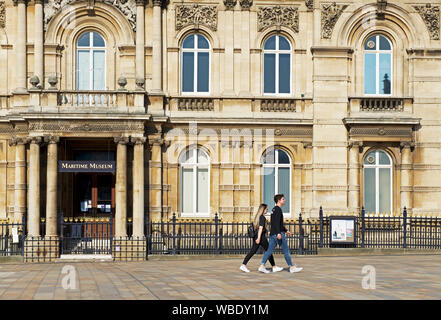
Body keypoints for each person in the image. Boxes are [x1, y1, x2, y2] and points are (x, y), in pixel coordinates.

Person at [258, 194, 303, 274]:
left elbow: (276, 223)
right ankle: (291, 267)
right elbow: (276, 223)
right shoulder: (278, 210)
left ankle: (262, 266)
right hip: (278, 234)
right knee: (286, 250)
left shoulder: (273, 210)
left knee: (269, 251)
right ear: (279, 201)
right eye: (283, 199)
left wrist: (286, 231)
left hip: (273, 234)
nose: (284, 200)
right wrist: (279, 233)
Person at [240, 204, 284, 273]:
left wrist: (267, 232)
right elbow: (260, 228)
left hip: (258, 236)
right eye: (266, 209)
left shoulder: (258, 217)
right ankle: (273, 266)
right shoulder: (262, 218)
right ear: (263, 210)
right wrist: (259, 238)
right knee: (268, 251)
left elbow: (261, 228)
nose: (267, 210)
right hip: (261, 237)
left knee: (253, 251)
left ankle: (243, 264)